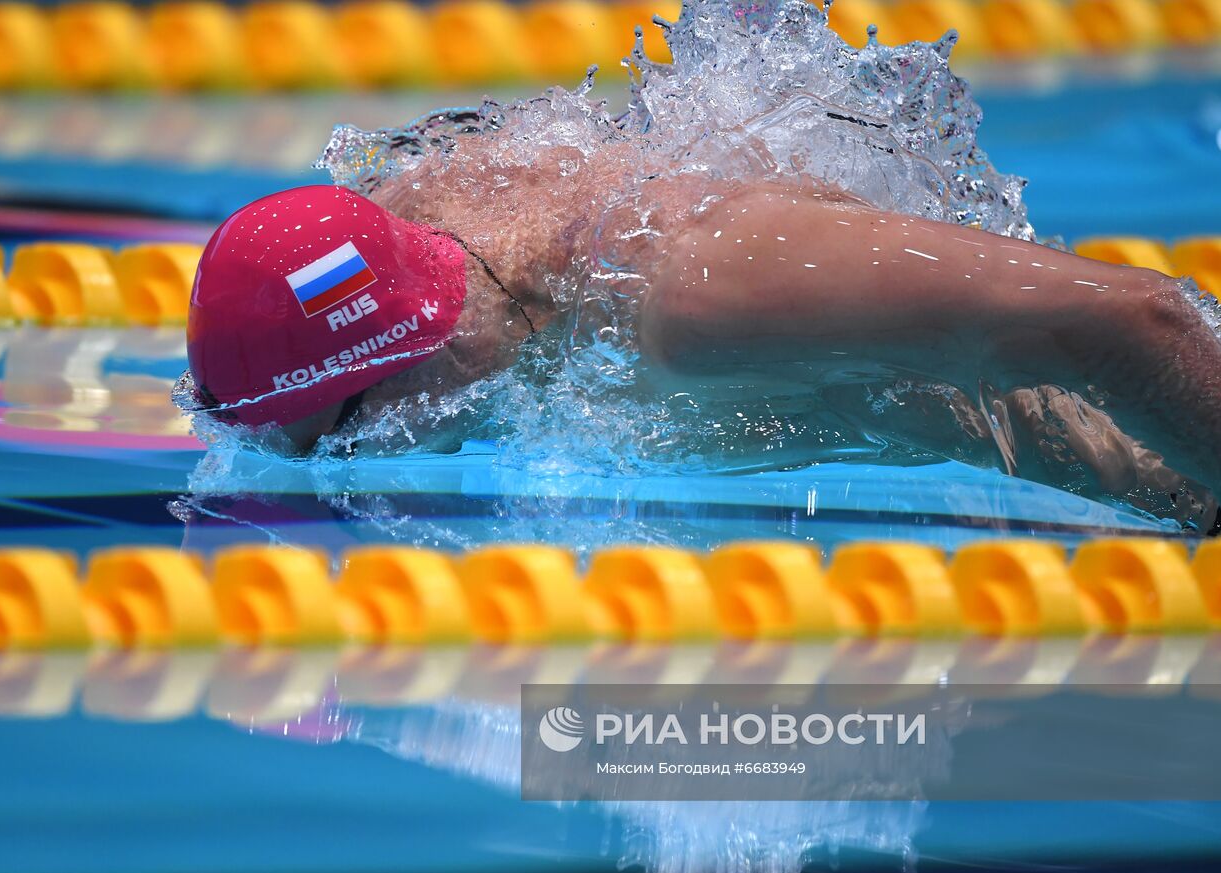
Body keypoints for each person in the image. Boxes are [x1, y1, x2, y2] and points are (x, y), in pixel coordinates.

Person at [186, 136, 1221, 532]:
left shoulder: (685, 301)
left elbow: (1130, 318)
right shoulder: (422, 212)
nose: (343, 465)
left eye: (344, 437)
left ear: (429, 350)